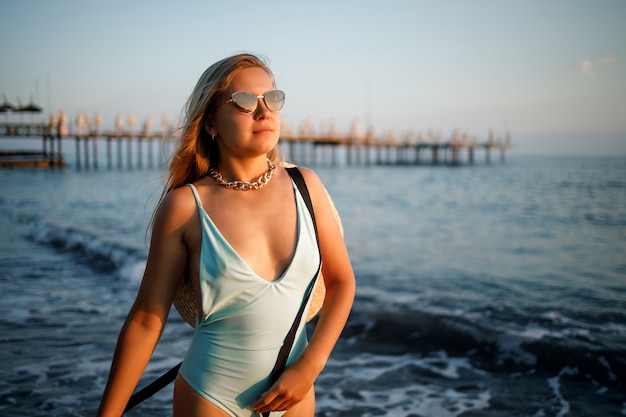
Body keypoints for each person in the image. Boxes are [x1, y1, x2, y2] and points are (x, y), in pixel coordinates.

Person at [97, 53, 356, 417]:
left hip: (295, 398)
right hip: (211, 398)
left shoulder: (306, 186)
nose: (264, 112)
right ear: (211, 123)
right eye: (245, 102)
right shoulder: (185, 207)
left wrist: (311, 365)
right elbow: (146, 318)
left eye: (272, 99)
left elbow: (342, 282)